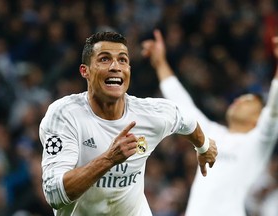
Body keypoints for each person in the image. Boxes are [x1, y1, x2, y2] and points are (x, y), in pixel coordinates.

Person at [38, 31, 218, 216]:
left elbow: (186, 121)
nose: (116, 66)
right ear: (85, 71)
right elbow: (54, 194)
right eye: (105, 59)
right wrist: (109, 159)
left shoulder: (150, 114)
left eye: (122, 60)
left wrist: (203, 147)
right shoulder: (65, 116)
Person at [142, 29, 278, 216]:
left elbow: (274, 108)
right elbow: (182, 103)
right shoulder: (213, 134)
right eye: (240, 98)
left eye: (248, 101)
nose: (239, 101)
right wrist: (160, 62)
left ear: (258, 118)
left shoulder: (257, 141)